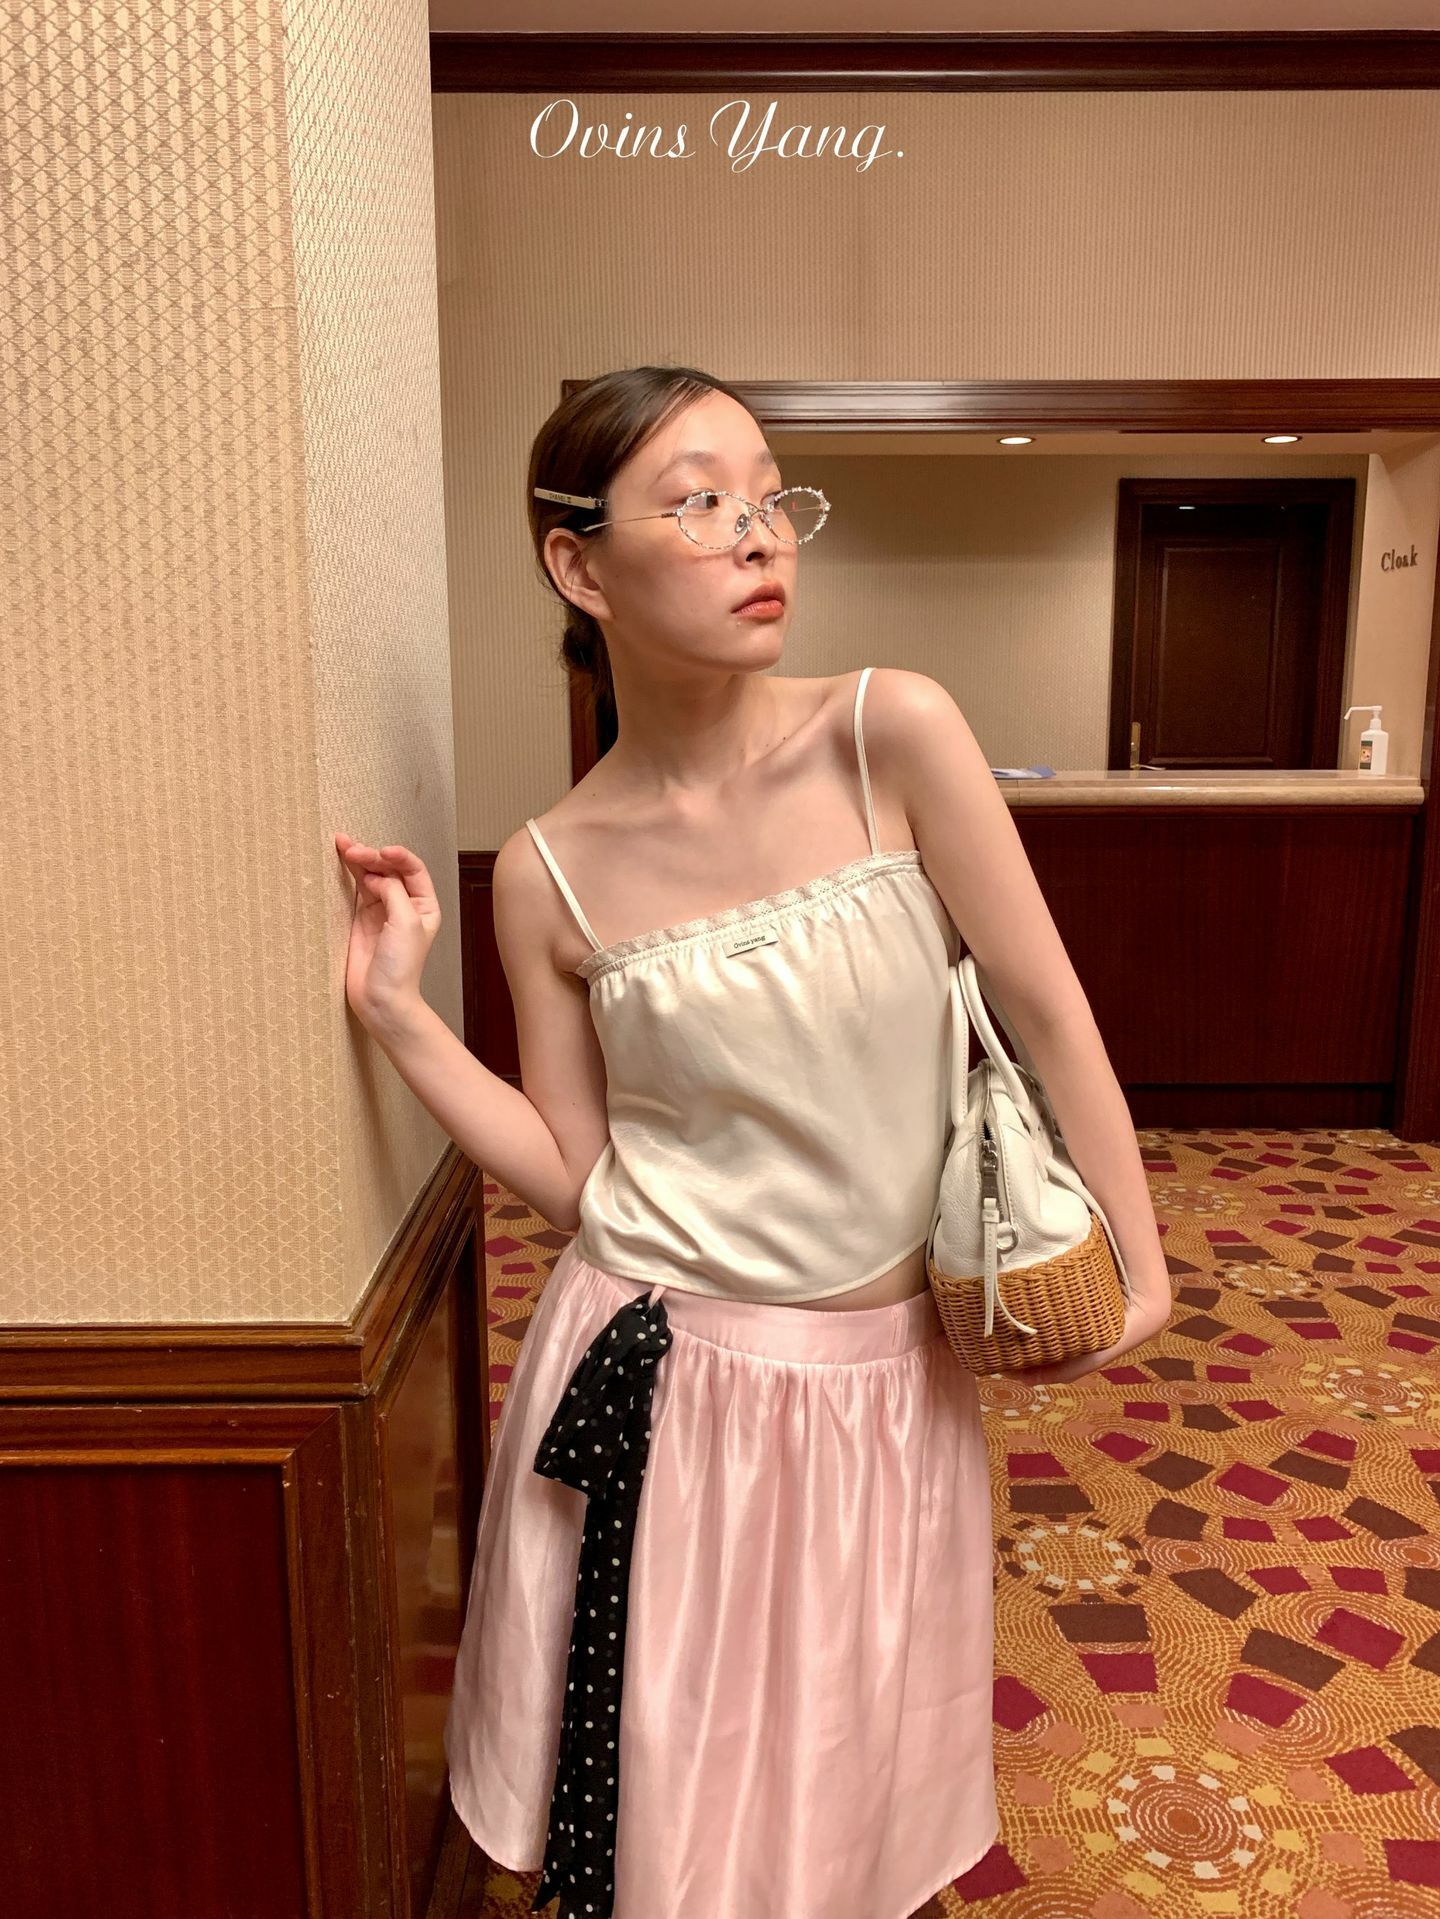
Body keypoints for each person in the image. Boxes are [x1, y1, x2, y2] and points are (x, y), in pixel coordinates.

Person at [334, 365, 1172, 1919]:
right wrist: (398, 1015)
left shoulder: (888, 732)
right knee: (671, 1784)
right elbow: (581, 1180)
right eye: (700, 501)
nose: (760, 534)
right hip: (662, 1379)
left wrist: (1142, 1261)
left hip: (882, 1385)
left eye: (774, 498)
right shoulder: (551, 870)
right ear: (580, 564)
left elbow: (1049, 1012)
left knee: (841, 1773)